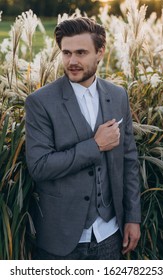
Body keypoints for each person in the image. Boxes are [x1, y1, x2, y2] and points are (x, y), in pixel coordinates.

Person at [25, 17, 141, 260]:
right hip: (61, 238)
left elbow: (129, 161)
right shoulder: (40, 102)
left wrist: (132, 217)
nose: (72, 61)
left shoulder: (118, 95)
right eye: (66, 53)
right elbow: (39, 166)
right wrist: (95, 145)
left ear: (100, 52)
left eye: (81, 52)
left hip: (110, 233)